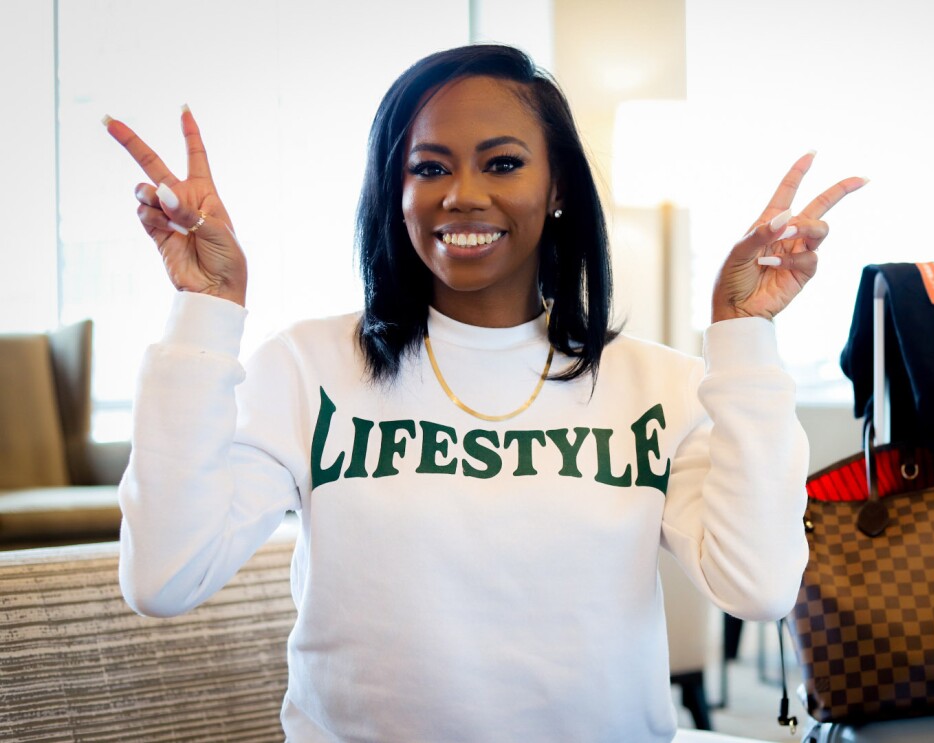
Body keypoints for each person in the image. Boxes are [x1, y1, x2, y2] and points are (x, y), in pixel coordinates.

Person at [105, 44, 865, 743]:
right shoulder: (305, 367)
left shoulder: (660, 386)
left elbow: (759, 585)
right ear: (393, 188)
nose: (463, 195)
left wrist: (742, 335)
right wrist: (204, 312)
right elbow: (164, 578)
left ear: (557, 183)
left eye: (502, 163)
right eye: (429, 168)